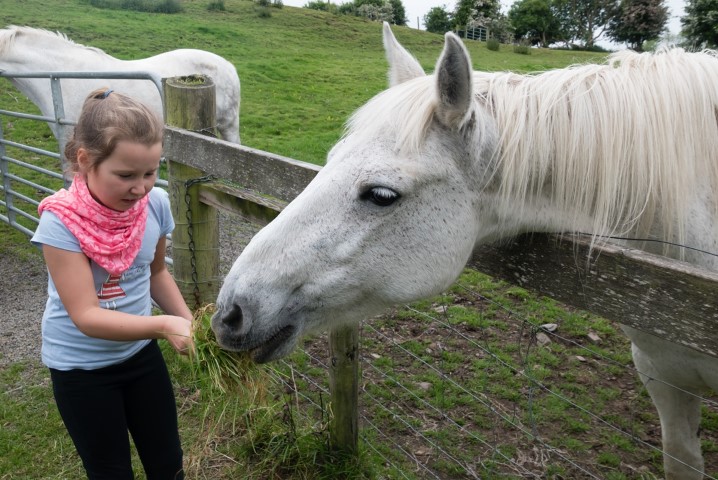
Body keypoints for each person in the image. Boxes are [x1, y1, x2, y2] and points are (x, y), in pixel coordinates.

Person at [31, 88, 194, 480]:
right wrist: (163, 325)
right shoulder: (60, 223)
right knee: (110, 472)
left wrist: (191, 324)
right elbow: (86, 315)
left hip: (140, 355)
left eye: (150, 173)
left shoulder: (155, 205)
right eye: (125, 175)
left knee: (168, 463)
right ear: (85, 161)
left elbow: (156, 274)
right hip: (81, 370)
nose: (140, 188)